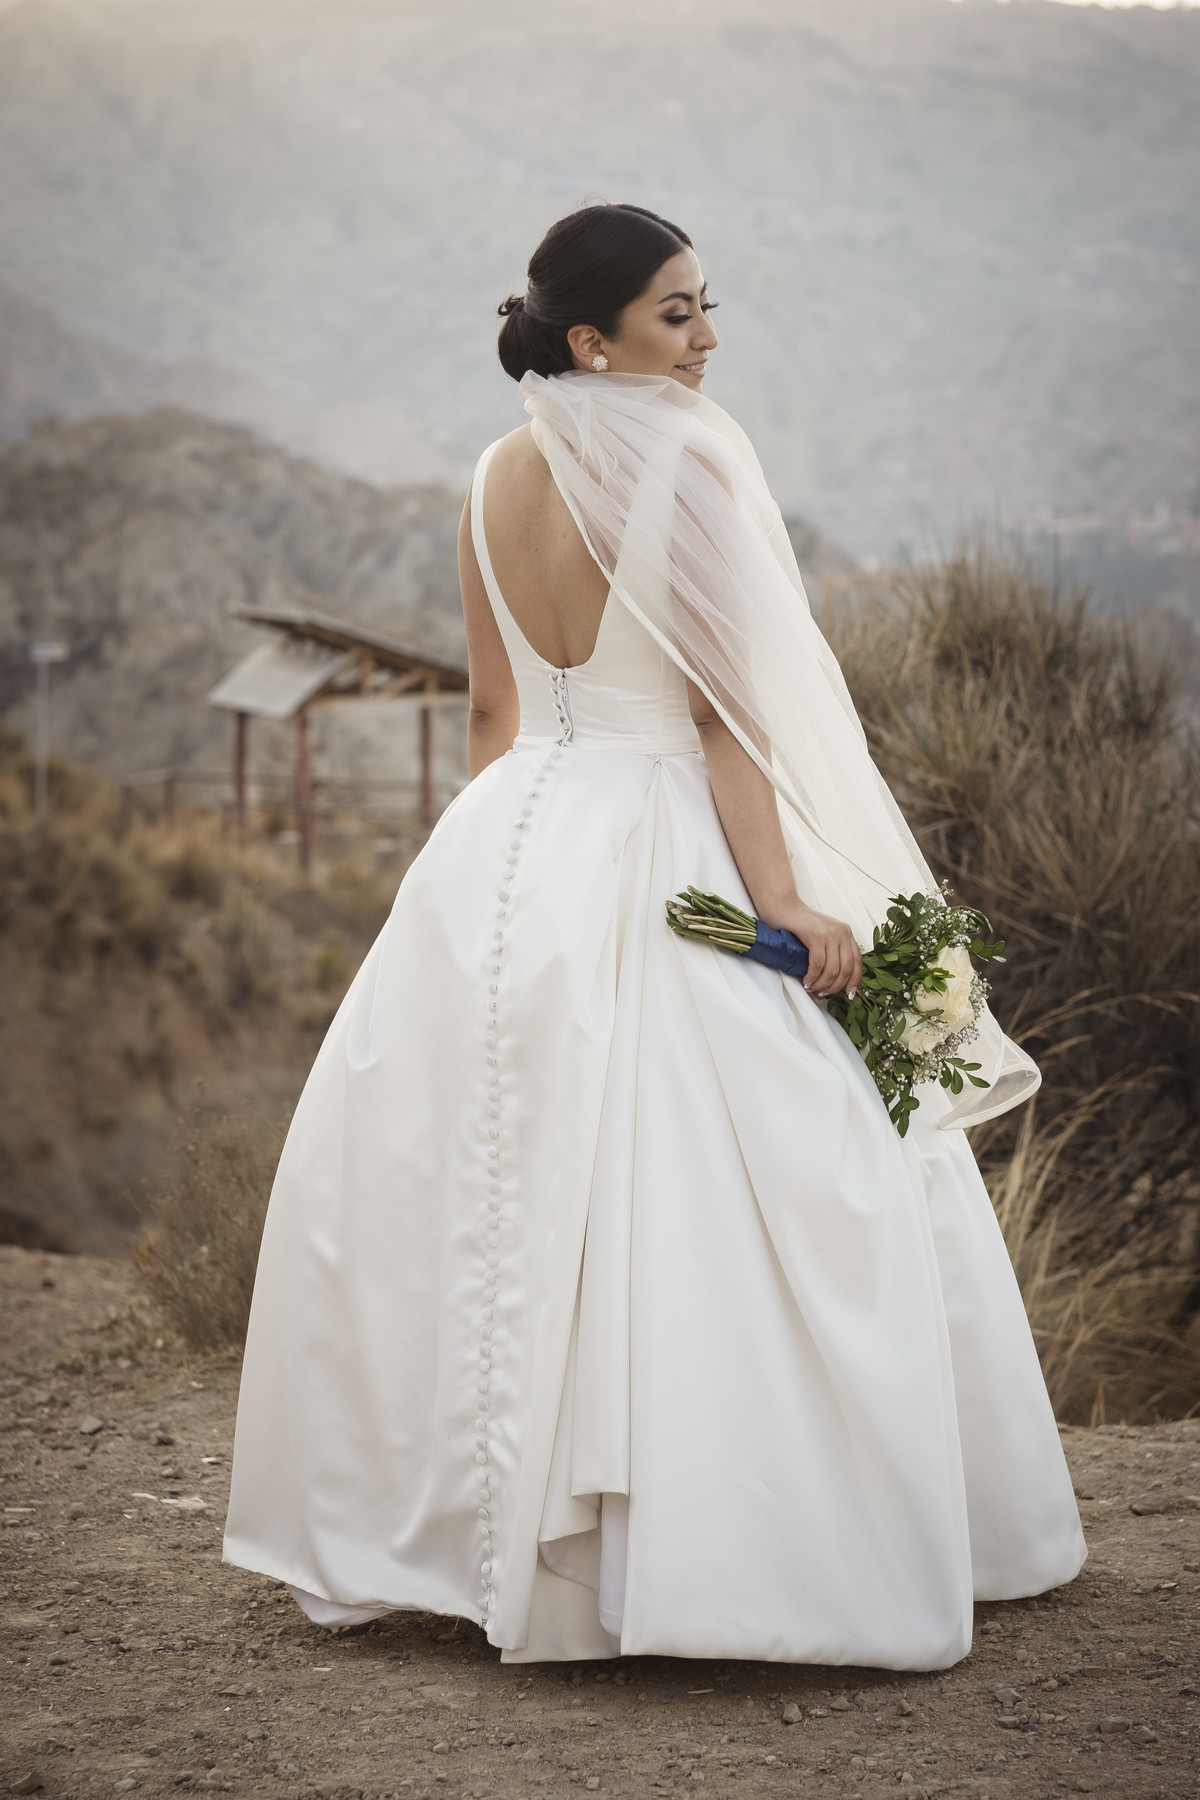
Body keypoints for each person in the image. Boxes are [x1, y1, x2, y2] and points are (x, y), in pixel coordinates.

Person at [224, 202, 1085, 1668]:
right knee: (771, 1162)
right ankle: (722, 1548)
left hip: (509, 838)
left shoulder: (494, 473)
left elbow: (495, 718)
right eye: (676, 313)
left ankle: (466, 1537)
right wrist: (785, 904)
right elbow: (720, 714)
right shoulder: (688, 462)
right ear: (591, 338)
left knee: (488, 1161)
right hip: (665, 825)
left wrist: (492, 886)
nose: (705, 337)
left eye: (707, 307)